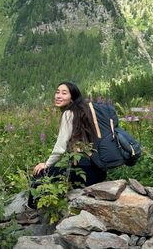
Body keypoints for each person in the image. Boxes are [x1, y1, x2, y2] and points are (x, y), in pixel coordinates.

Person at [27, 81, 107, 212]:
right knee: (58, 172)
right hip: (99, 172)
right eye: (57, 92)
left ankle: (31, 212)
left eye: (64, 93)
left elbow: (60, 147)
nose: (58, 96)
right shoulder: (83, 112)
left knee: (40, 174)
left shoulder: (69, 114)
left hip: (85, 172)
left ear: (72, 98)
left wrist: (46, 165)